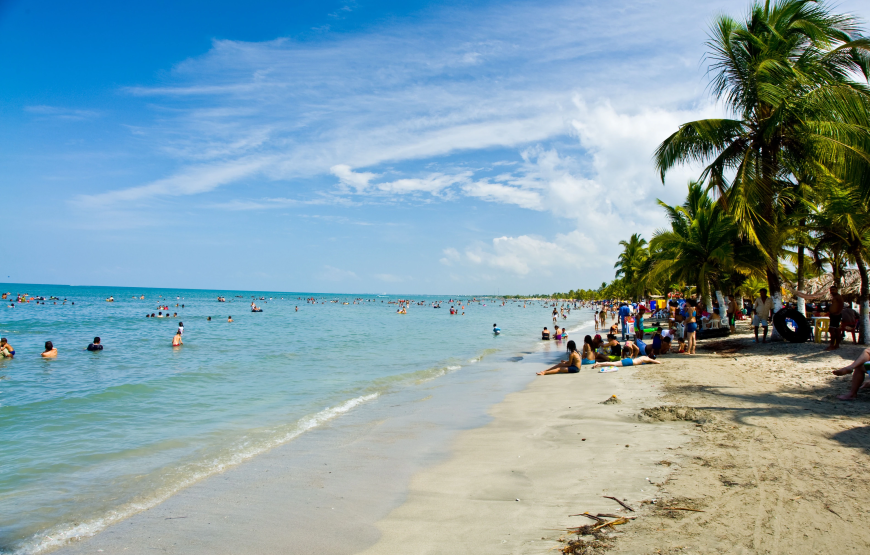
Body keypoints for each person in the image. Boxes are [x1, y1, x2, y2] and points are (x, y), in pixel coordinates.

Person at [791, 285, 844, 350]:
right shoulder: (834, 297)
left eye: (833, 290)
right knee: (835, 330)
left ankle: (832, 345)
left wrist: (837, 312)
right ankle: (836, 345)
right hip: (833, 315)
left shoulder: (838, 297)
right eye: (831, 290)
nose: (832, 291)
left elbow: (841, 305)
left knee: (833, 330)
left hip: (836, 315)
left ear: (836, 290)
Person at [592, 346, 661, 369]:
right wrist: (653, 360)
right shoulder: (648, 359)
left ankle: (600, 364)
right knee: (613, 364)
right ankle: (599, 364)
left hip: (629, 360)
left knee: (614, 363)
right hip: (629, 362)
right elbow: (658, 362)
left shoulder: (644, 356)